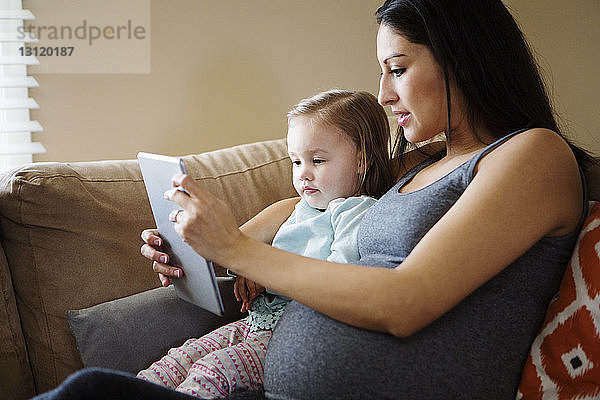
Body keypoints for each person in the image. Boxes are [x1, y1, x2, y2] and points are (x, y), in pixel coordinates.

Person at [34, 0, 595, 399]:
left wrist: (236, 248)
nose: (383, 94)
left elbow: (406, 301)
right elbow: (311, 205)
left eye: (397, 69)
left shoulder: (531, 156)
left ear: (464, 60)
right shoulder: (420, 163)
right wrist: (208, 250)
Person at [135, 89, 394, 398]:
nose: (304, 175)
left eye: (318, 160)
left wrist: (260, 266)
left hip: (294, 335)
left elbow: (339, 278)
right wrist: (175, 246)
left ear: (362, 160)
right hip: (256, 322)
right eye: (296, 162)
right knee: (177, 361)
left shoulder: (354, 211)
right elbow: (229, 249)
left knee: (213, 372)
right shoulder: (298, 209)